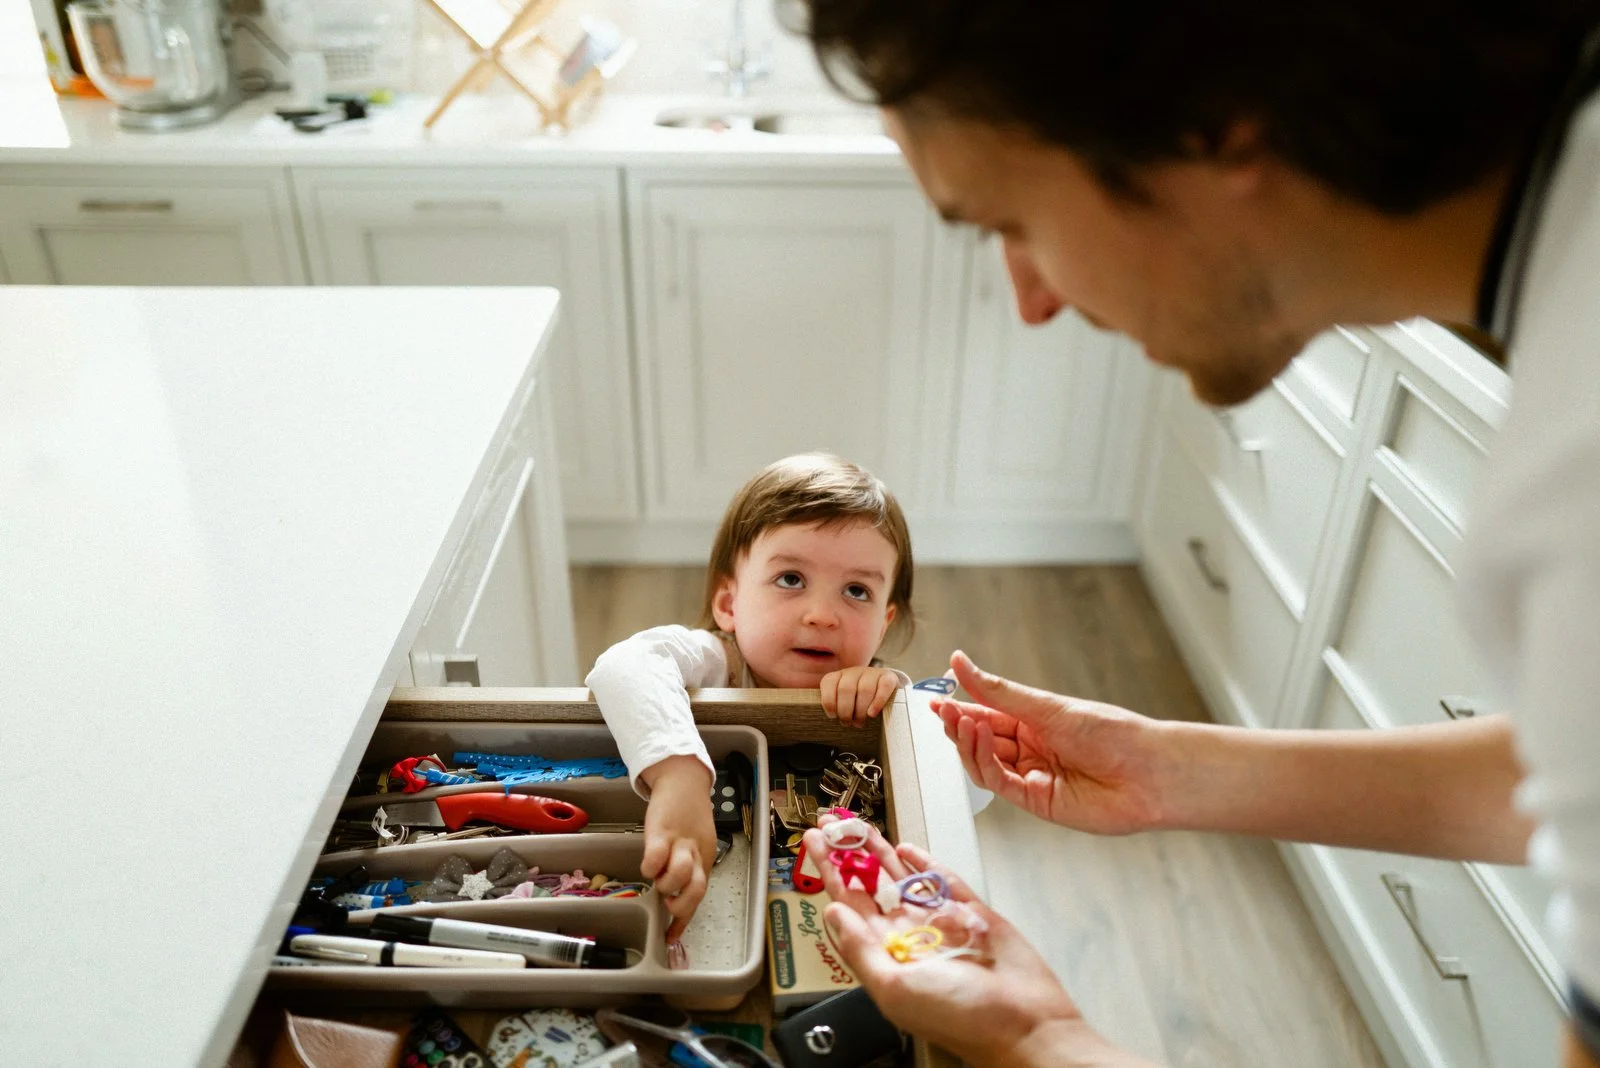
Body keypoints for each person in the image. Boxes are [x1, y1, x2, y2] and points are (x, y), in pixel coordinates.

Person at [780, 2, 1600, 1065]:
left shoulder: (1573, 481)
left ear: (1212, 123)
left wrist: (1044, 1040)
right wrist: (1175, 771)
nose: (1030, 299)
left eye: (1009, 222)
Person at [587, 452, 914, 941]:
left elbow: (961, 792)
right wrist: (679, 776)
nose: (822, 614)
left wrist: (897, 695)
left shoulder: (878, 694)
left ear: (883, 623)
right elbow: (622, 665)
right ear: (729, 604)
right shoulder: (718, 663)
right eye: (791, 580)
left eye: (856, 591)